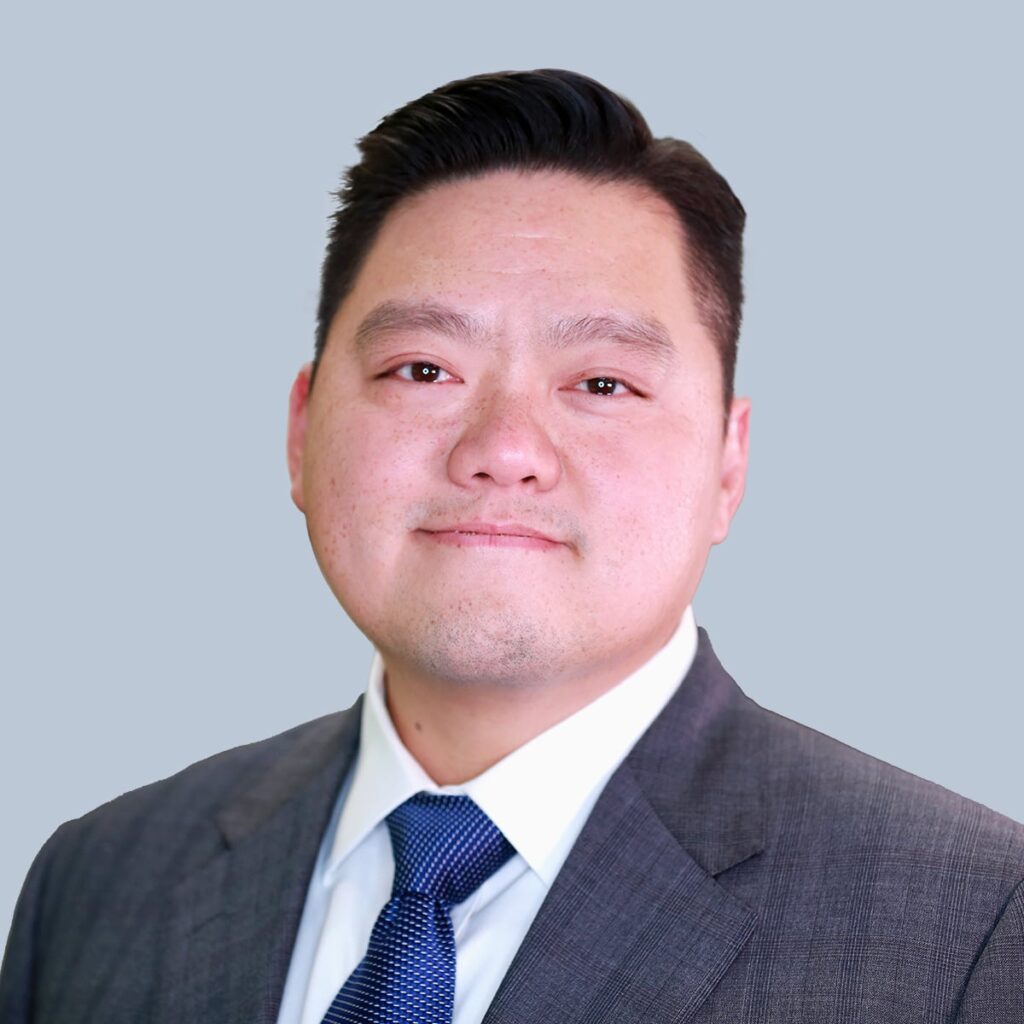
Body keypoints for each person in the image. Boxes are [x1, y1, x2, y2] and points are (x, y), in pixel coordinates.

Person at [1, 68, 1022, 1024]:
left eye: (602, 383)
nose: (502, 452)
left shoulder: (971, 927)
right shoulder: (98, 880)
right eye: (421, 370)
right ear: (301, 432)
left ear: (726, 460)